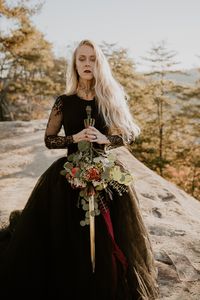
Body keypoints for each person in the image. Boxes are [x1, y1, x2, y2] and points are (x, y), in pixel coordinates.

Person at [0, 39, 159, 300]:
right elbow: (49, 139)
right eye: (82, 59)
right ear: (74, 64)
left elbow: (129, 134)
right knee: (68, 235)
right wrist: (74, 138)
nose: (87, 64)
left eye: (92, 59)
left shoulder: (110, 98)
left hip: (105, 174)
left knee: (108, 237)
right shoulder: (64, 101)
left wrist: (104, 139)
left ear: (100, 64)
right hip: (68, 176)